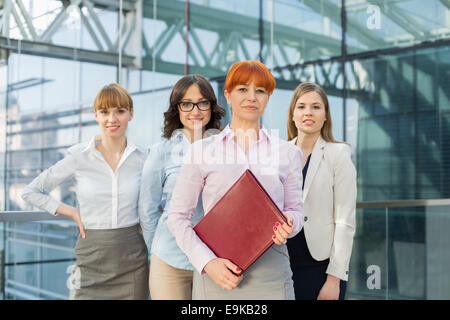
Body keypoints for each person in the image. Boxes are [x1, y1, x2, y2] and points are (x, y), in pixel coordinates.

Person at [167, 60, 303, 300]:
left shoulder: (288, 153)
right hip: (217, 272)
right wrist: (207, 262)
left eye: (260, 91)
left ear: (268, 97)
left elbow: (296, 211)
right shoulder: (201, 151)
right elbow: (177, 217)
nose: (251, 97)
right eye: (242, 89)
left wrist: (290, 222)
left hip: (272, 273)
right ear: (228, 96)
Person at [22, 83, 149, 300]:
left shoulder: (144, 157)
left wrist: (147, 215)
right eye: (105, 112)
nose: (112, 119)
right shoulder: (79, 157)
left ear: (131, 114)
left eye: (120, 111)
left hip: (132, 259)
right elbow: (31, 191)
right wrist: (71, 212)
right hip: (91, 257)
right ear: (96, 116)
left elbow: (163, 195)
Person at [138, 74, 225, 300]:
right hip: (169, 261)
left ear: (211, 107)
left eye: (202, 103)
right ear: (176, 108)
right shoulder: (161, 151)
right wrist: (156, 250)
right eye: (186, 104)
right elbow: (147, 208)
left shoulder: (226, 149)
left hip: (213, 260)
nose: (195, 111)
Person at [286, 82, 357, 300]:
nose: (308, 112)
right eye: (302, 106)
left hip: (320, 270)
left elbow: (345, 221)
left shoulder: (339, 155)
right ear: (293, 115)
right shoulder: (279, 154)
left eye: (316, 107)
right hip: (281, 267)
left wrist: (334, 279)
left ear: (325, 115)